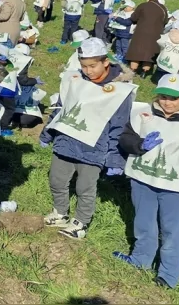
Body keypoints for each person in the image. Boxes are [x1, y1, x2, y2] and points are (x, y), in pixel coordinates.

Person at [115, 75, 179, 289]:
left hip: (174, 189)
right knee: (143, 223)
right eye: (163, 97)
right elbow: (125, 139)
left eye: (174, 98)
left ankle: (168, 275)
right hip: (143, 181)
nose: (167, 102)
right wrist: (140, 144)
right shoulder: (142, 115)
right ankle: (140, 259)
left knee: (172, 230)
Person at [40, 38, 137, 239]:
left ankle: (80, 222)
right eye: (84, 66)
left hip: (94, 148)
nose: (88, 71)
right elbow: (60, 109)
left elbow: (119, 125)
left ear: (105, 62)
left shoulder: (119, 90)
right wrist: (47, 132)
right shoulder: (74, 81)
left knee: (84, 187)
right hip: (66, 142)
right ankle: (60, 212)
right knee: (57, 180)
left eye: (93, 66)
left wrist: (115, 159)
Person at [126, 0, 168, 78]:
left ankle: (133, 70)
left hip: (141, 32)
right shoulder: (163, 8)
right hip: (155, 34)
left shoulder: (143, 5)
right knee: (149, 54)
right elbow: (165, 21)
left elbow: (134, 18)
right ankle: (144, 72)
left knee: (136, 53)